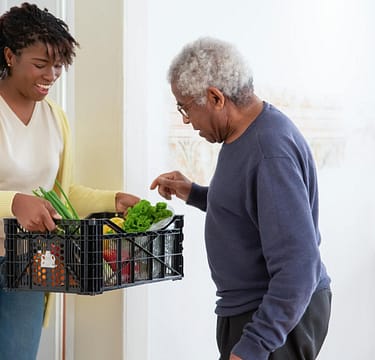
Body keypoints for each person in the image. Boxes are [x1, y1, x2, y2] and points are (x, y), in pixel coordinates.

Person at [151, 37, 332, 360]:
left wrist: (255, 344)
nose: (185, 119)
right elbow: (250, 209)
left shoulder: (268, 151)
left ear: (215, 97)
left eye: (185, 107)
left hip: (272, 316)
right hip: (253, 310)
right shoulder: (245, 136)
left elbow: (299, 266)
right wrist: (193, 192)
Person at [0, 3, 139, 359]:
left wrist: (113, 199)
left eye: (59, 66)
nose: (51, 75)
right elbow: (23, 200)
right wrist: (14, 202)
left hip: (23, 266)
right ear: (9, 56)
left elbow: (62, 194)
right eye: (41, 64)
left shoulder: (55, 118)